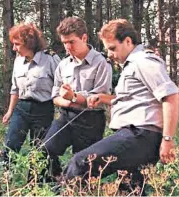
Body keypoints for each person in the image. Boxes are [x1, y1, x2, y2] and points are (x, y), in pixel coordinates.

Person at [63, 19, 179, 193]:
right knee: (130, 190)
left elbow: (170, 95)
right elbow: (135, 100)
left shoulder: (144, 61)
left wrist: (168, 140)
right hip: (137, 136)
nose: (109, 54)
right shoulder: (131, 65)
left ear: (128, 41)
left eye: (112, 48)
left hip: (140, 135)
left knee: (79, 164)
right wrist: (103, 98)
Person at [41, 16, 112, 180]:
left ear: (84, 38)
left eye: (71, 42)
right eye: (64, 42)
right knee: (45, 150)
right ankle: (50, 185)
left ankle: (73, 188)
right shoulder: (63, 64)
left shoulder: (101, 63)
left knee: (83, 165)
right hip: (66, 117)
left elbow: (98, 98)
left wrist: (74, 97)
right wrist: (67, 100)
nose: (67, 47)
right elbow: (55, 96)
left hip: (91, 120)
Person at [1, 23, 61, 175]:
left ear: (29, 43)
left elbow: (61, 86)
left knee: (40, 150)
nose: (14, 48)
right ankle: (3, 182)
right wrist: (9, 111)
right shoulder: (18, 60)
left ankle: (37, 185)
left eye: (17, 44)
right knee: (10, 145)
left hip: (43, 109)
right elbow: (15, 88)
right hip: (22, 108)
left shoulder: (50, 59)